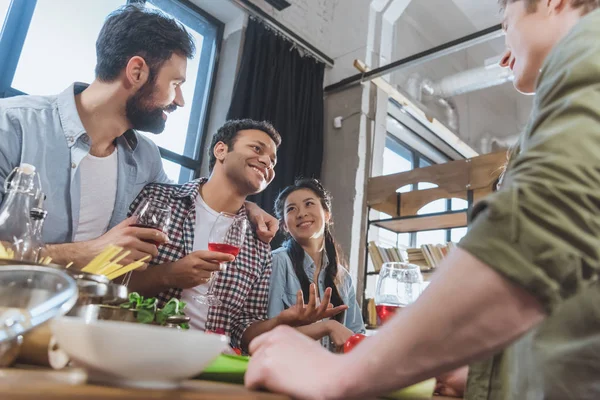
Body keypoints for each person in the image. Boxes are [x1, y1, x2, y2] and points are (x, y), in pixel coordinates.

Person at [244, 1, 600, 399]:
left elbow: (534, 243)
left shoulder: (591, 47)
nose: (503, 53)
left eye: (505, 24)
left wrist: (341, 375)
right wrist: (482, 375)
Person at [0, 4, 277, 268]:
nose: (179, 101)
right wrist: (90, 252)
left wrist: (246, 205)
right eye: (176, 84)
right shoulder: (11, 125)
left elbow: (191, 200)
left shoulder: (146, 157)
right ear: (136, 71)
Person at [127, 120, 347, 351]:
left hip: (212, 365)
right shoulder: (160, 200)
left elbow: (243, 329)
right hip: (142, 350)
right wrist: (168, 275)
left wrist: (281, 322)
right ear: (221, 150)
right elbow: (114, 280)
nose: (267, 162)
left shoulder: (259, 243)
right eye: (257, 149)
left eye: (273, 161)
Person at [268, 178, 365, 349]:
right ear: (284, 225)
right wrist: (328, 327)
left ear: (327, 215)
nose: (301, 213)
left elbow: (356, 334)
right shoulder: (277, 262)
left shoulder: (344, 278)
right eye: (291, 209)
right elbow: (270, 334)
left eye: (309, 204)